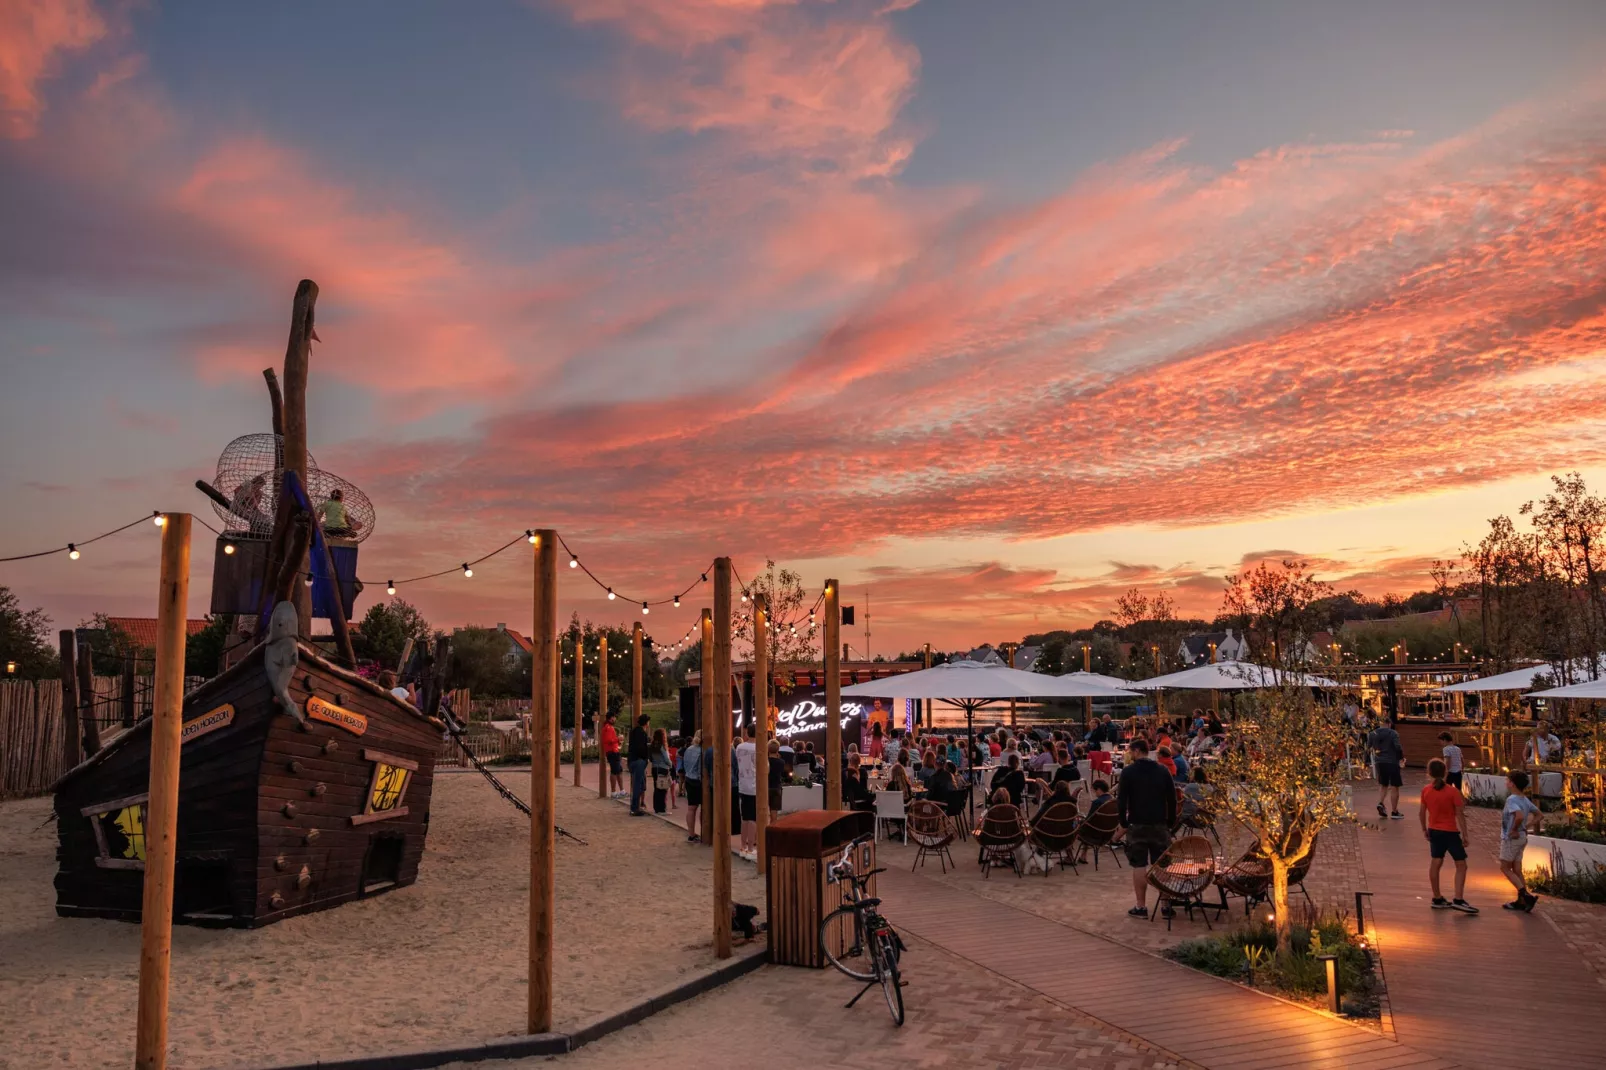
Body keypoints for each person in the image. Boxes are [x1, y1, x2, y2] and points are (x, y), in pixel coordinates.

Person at [1117, 738, 1177, 918]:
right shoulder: (1162, 770)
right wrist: (1171, 821)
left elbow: (1121, 800)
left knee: (1139, 864)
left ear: (1136, 751)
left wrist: (1123, 822)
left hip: (1137, 823)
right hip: (1159, 823)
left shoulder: (1128, 772)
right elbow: (1172, 798)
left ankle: (1141, 906)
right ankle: (1165, 904)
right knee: (1162, 865)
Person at [1420, 757, 1478, 913]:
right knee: (1461, 864)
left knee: (1436, 862)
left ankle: (1437, 897)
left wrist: (1424, 829)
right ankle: (1458, 898)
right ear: (1445, 772)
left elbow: (1421, 812)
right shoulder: (1453, 792)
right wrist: (1465, 835)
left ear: (1429, 773)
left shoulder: (1426, 790)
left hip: (1434, 830)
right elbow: (1459, 814)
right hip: (1450, 832)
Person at [1499, 770, 1542, 911]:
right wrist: (1526, 827)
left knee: (1505, 867)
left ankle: (1525, 895)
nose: (1506, 782)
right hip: (1522, 838)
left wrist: (1514, 829)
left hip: (1512, 838)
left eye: (1508, 780)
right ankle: (1522, 901)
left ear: (1513, 783)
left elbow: (1518, 816)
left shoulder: (1512, 799)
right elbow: (1539, 815)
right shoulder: (1524, 799)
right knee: (1517, 869)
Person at [1368, 719, 1405, 819]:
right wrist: (1401, 758)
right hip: (1392, 761)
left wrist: (1365, 762)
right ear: (1389, 724)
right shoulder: (1393, 733)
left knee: (1383, 784)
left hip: (1379, 762)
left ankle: (1381, 802)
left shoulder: (1372, 734)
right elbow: (1397, 747)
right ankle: (1394, 811)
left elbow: (1368, 748)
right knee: (1394, 786)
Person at [735, 724, 758, 853]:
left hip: (743, 784)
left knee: (744, 817)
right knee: (753, 818)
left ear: (747, 733)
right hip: (754, 786)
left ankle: (743, 846)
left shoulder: (739, 747)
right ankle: (750, 848)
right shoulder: (759, 748)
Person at [627, 713, 651, 816]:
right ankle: (634, 808)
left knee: (639, 784)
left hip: (632, 760)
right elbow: (641, 748)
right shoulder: (642, 733)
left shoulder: (633, 732)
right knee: (638, 785)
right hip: (639, 761)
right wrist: (646, 758)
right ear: (646, 723)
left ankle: (636, 807)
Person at [681, 731, 703, 842]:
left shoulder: (689, 749)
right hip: (698, 781)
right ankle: (704, 832)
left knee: (691, 808)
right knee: (704, 808)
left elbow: (685, 764)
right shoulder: (701, 751)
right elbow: (700, 769)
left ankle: (691, 833)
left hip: (689, 779)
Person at [601, 713, 625, 796]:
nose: (615, 719)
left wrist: (618, 741)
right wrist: (618, 739)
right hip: (612, 752)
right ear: (611, 718)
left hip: (614, 751)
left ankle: (622, 791)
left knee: (619, 770)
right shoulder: (608, 727)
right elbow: (608, 740)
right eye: (614, 718)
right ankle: (613, 792)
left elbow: (611, 740)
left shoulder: (609, 727)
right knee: (614, 771)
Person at [649, 729, 672, 814]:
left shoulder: (653, 746)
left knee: (657, 788)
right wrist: (671, 765)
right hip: (663, 768)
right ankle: (662, 809)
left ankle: (657, 808)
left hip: (655, 768)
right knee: (663, 789)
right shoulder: (662, 746)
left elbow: (651, 758)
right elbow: (666, 759)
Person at [766, 739, 786, 817]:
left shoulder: (765, 761)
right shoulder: (781, 762)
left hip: (766, 787)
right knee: (774, 811)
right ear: (778, 749)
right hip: (776, 787)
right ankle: (773, 827)